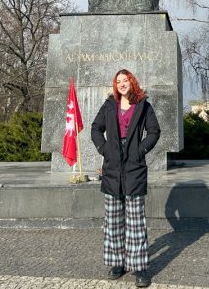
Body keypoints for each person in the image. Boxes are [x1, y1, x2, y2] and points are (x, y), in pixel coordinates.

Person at [91, 69, 161, 287]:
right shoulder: (109, 104)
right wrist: (104, 149)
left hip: (134, 165)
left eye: (125, 80)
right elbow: (95, 128)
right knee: (113, 220)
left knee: (135, 222)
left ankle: (139, 268)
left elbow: (154, 131)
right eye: (118, 81)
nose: (122, 84)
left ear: (132, 82)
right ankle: (117, 263)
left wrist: (140, 150)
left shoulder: (143, 105)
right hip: (112, 166)